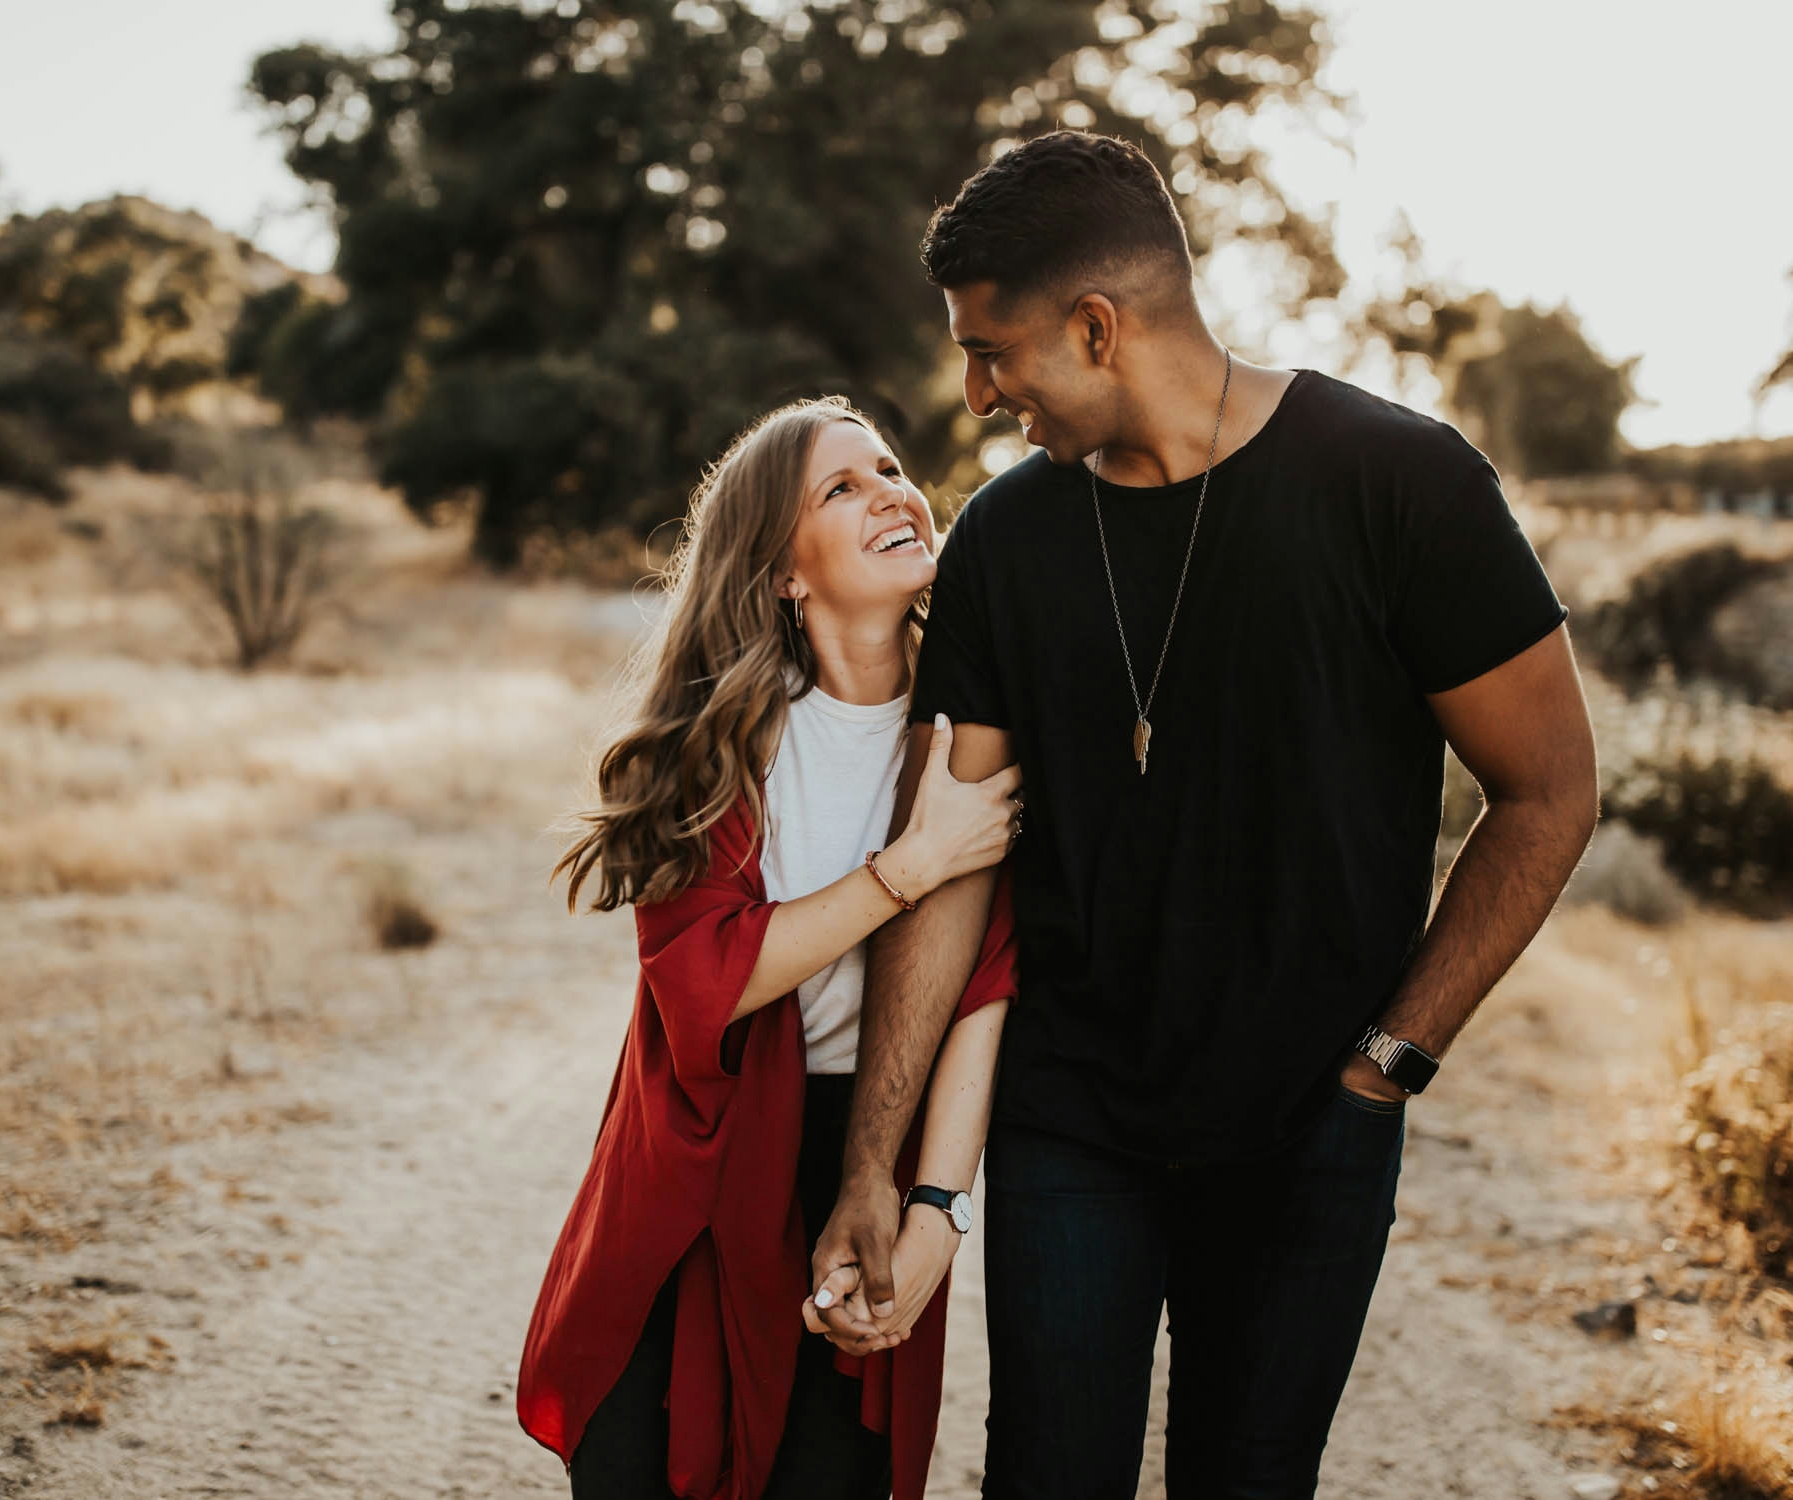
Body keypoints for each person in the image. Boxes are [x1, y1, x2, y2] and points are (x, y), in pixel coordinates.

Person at [807, 131, 1602, 1498]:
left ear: (1097, 326)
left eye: (992, 351)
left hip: (1315, 1124)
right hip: (1073, 1123)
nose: (977, 393)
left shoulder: (1399, 484)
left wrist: (1382, 1071)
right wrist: (873, 1164)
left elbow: (1547, 795)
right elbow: (951, 864)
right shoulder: (1006, 538)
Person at [517, 395, 1026, 1500]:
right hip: (701, 1170)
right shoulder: (720, 746)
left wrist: (938, 1210)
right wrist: (909, 869)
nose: (893, 490)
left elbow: (986, 991)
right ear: (783, 571)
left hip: (870, 1149)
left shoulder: (971, 736)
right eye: (841, 487)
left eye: (891, 467)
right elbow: (709, 977)